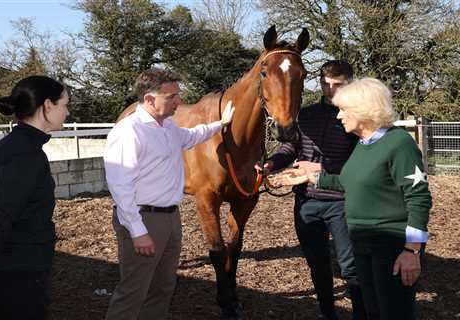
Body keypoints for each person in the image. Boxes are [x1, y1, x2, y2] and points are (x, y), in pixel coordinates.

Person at [274, 77, 432, 320]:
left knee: (393, 312)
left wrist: (411, 251)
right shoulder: (363, 144)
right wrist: (309, 178)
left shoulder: (399, 143)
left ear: (364, 110)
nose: (339, 116)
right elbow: (348, 183)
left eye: (344, 110)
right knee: (372, 312)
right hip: (362, 242)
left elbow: (418, 198)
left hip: (390, 245)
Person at [103, 67, 235, 320]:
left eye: (178, 94)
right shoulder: (129, 131)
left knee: (163, 288)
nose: (179, 101)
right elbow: (120, 187)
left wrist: (221, 124)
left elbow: (193, 135)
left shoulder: (167, 127)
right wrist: (138, 231)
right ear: (149, 99)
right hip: (143, 220)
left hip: (170, 219)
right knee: (133, 291)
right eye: (172, 96)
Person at [257, 60, 365, 320]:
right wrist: (272, 163)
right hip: (307, 200)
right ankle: (327, 313)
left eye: (336, 85)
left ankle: (363, 314)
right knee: (317, 264)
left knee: (350, 266)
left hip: (342, 200)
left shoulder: (357, 118)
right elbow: (291, 149)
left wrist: (318, 167)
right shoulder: (305, 114)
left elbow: (360, 163)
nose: (329, 90)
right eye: (325, 84)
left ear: (350, 83)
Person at [0, 75, 69, 319]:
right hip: (17, 274)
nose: (67, 112)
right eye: (64, 105)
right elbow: (0, 216)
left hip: (18, 269)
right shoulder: (24, 153)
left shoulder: (19, 145)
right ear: (47, 106)